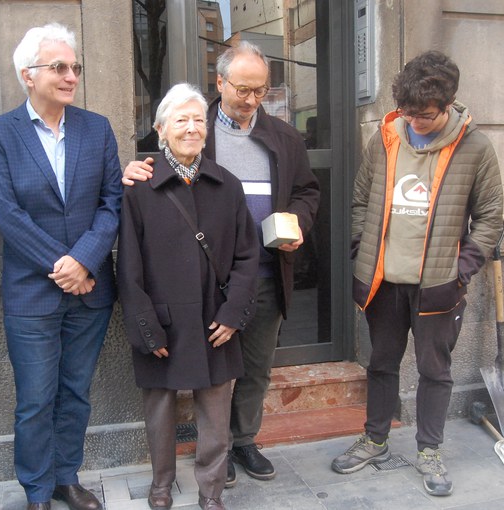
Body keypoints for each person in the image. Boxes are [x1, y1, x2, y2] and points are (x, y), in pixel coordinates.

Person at [123, 42, 320, 487]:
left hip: (264, 269)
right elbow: (161, 171)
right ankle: (216, 451)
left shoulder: (284, 136)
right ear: (220, 82)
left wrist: (299, 223)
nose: (251, 99)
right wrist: (131, 170)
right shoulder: (195, 123)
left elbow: (308, 191)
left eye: (260, 90)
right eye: (243, 88)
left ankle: (244, 438)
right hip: (205, 281)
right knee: (208, 368)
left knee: (255, 365)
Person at [330, 51, 504, 497]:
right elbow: (361, 197)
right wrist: (360, 245)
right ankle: (374, 439)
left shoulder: (476, 147)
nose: (415, 122)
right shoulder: (386, 137)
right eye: (408, 113)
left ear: (448, 104)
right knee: (381, 364)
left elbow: (490, 217)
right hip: (385, 282)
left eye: (424, 115)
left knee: (435, 371)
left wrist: (462, 269)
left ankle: (429, 449)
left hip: (439, 286)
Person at [0, 23, 122, 510]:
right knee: (35, 400)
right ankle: (36, 490)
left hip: (90, 290)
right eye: (58, 67)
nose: (70, 76)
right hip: (32, 293)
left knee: (75, 393)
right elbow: (6, 214)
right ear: (28, 74)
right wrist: (61, 265)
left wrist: (83, 261)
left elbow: (111, 203)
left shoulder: (96, 128)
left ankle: (66, 478)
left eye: (75, 67)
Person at [118, 83, 259, 510]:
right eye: (181, 119)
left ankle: (211, 492)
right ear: (161, 129)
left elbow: (248, 255)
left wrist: (234, 313)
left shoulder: (227, 186)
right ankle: (161, 486)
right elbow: (127, 267)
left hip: (215, 320)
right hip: (161, 319)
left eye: (198, 119)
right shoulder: (139, 188)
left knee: (216, 415)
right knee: (160, 411)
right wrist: (146, 327)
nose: (192, 128)